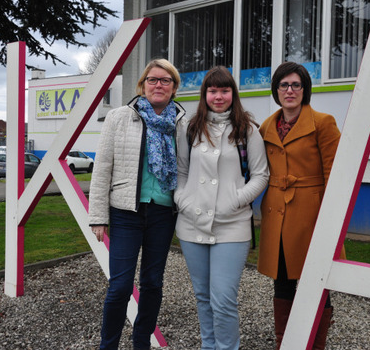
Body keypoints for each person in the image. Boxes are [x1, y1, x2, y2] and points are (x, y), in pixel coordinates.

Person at [88, 59, 187, 350]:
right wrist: (98, 216)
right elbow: (102, 167)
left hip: (162, 213)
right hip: (125, 213)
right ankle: (109, 345)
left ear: (174, 88)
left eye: (165, 80)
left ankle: (141, 342)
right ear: (142, 85)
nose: (158, 85)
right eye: (153, 79)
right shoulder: (120, 117)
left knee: (153, 283)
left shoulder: (182, 123)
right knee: (119, 287)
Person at [174, 66, 269, 350]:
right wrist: (184, 200)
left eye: (224, 90)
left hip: (232, 225)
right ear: (204, 94)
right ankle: (208, 346)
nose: (218, 96)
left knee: (223, 299)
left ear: (233, 93)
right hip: (192, 224)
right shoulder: (190, 128)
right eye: (212, 90)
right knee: (203, 296)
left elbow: (261, 174)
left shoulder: (247, 130)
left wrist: (235, 201)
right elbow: (180, 171)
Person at [257, 61, 345, 350]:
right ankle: (286, 343)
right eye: (284, 85)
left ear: (305, 89)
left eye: (296, 84)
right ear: (276, 90)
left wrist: (331, 218)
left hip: (311, 214)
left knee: (316, 281)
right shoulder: (267, 126)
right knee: (282, 281)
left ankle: (314, 344)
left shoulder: (323, 122)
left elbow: (336, 171)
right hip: (277, 215)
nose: (290, 90)